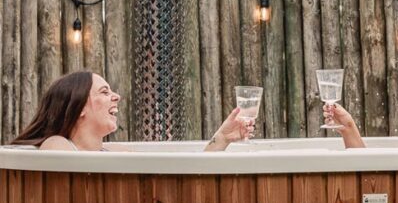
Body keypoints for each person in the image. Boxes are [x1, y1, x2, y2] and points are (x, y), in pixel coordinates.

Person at [11, 71, 252, 151]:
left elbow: (181, 171)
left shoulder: (109, 153)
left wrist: (221, 138)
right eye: (104, 92)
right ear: (79, 107)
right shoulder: (57, 145)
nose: (116, 96)